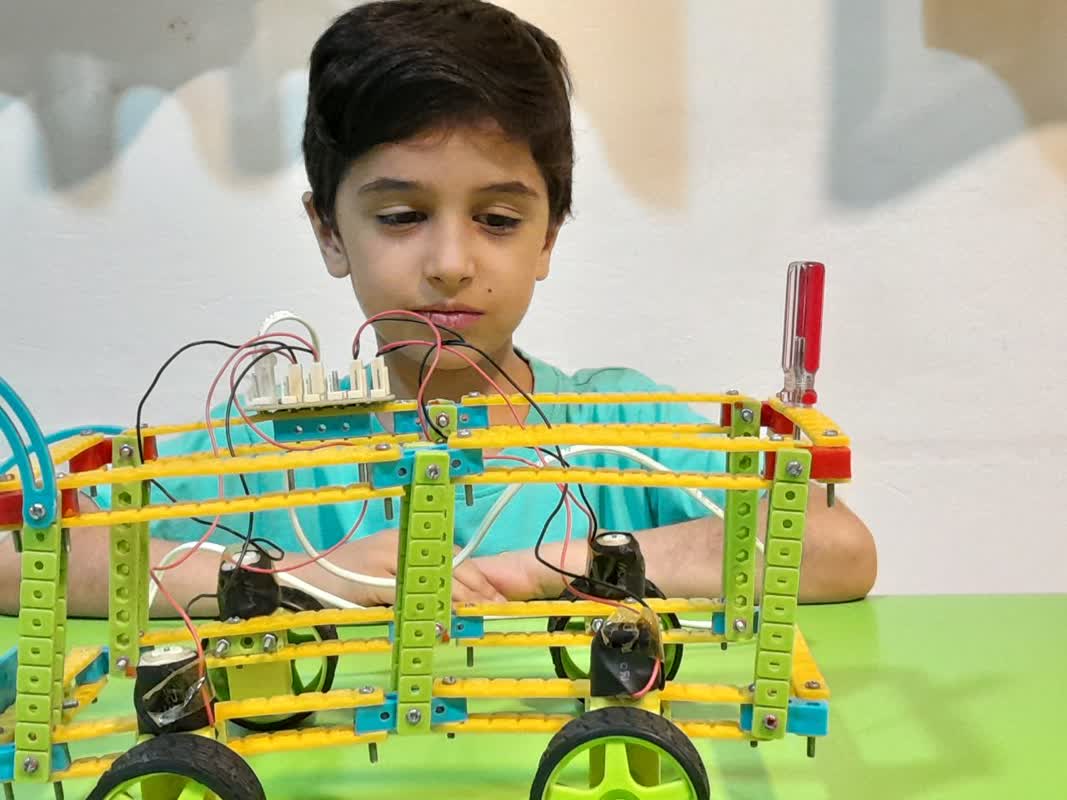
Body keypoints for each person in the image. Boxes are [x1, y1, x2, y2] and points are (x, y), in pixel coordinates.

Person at [0, 0, 875, 618]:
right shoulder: (261, 455)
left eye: (497, 220)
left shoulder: (618, 429)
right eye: (400, 216)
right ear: (329, 231)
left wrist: (567, 565)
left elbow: (838, 548)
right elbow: (13, 557)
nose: (451, 264)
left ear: (548, 238)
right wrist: (299, 577)